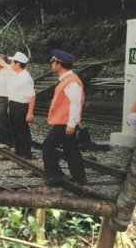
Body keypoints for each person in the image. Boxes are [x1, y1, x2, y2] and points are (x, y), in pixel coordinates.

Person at [42, 49, 87, 186]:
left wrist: (71, 124)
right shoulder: (67, 80)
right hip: (65, 122)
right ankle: (79, 178)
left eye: (52, 61)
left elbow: (76, 104)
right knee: (71, 150)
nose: (51, 64)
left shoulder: (71, 82)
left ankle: (55, 175)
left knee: (47, 146)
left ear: (59, 64)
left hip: (65, 123)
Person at [0, 50, 36, 159]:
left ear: (18, 64)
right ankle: (19, 151)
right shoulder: (14, 73)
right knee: (14, 128)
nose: (10, 64)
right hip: (13, 104)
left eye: (12, 62)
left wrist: (30, 112)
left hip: (21, 105)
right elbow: (2, 63)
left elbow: (32, 96)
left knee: (22, 129)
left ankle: (26, 152)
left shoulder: (26, 77)